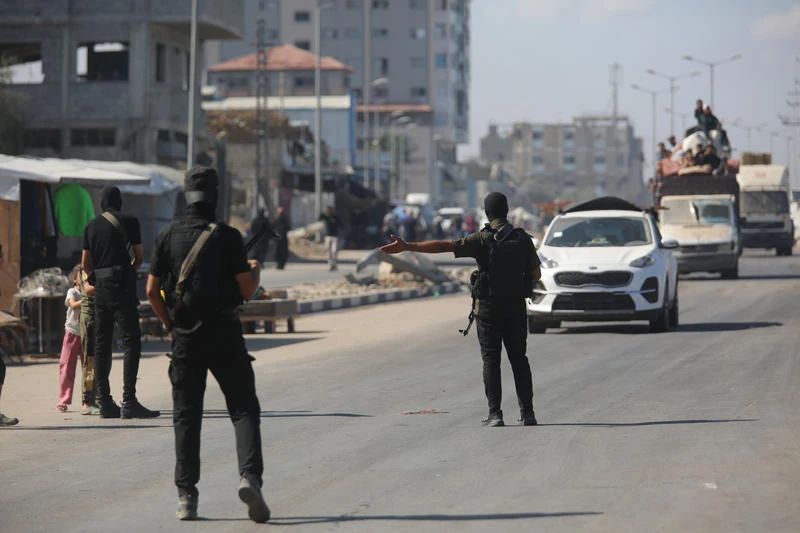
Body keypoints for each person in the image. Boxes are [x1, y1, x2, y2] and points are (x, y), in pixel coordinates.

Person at [146, 166, 269, 523]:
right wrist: (256, 270)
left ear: (186, 195)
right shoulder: (229, 236)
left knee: (186, 417)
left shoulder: (167, 236)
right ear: (215, 195)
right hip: (226, 335)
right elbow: (247, 289)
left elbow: (152, 291)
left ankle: (186, 497)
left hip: (185, 339)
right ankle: (250, 477)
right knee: (244, 408)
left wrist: (170, 325)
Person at [380, 192, 541, 427]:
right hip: (515, 308)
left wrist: (408, 246)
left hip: (487, 310)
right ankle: (528, 414)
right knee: (519, 360)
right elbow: (536, 274)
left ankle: (495, 415)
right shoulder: (522, 239)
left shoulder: (480, 239)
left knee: (491, 361)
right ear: (507, 211)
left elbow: (445, 246)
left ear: (487, 213)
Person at [82, 186, 159, 419]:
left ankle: (104, 402)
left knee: (102, 343)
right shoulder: (131, 221)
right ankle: (129, 400)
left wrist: (99, 278)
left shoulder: (91, 226)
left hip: (102, 289)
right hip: (124, 287)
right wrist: (127, 271)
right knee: (130, 340)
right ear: (120, 202)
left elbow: (86, 264)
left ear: (101, 203)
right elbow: (140, 257)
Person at [56, 265, 85, 413]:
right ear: (75, 279)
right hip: (72, 333)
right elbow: (73, 304)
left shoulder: (92, 291)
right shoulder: (72, 291)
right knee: (67, 367)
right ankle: (64, 400)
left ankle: (89, 399)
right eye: (82, 275)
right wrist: (87, 299)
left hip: (87, 334)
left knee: (89, 368)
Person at [79, 268, 99, 415]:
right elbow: (88, 289)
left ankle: (99, 397)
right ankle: (88, 400)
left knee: (100, 360)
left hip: (100, 315)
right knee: (90, 360)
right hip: (90, 317)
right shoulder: (87, 266)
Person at [319, 206, 340, 271]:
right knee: (328, 252)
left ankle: (334, 264)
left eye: (330, 210)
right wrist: (323, 212)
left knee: (334, 251)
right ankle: (331, 265)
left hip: (335, 236)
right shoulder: (325, 217)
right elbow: (319, 219)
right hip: (327, 236)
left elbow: (342, 226)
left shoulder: (336, 217)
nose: (329, 211)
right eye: (328, 210)